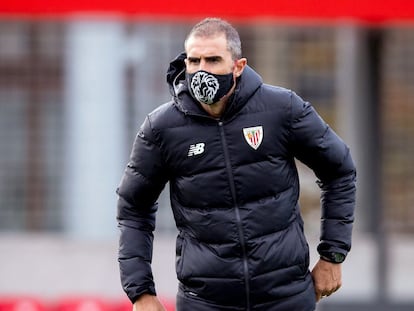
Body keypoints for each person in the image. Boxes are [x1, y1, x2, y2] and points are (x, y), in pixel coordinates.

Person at [116, 17, 356, 311]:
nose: (202, 70)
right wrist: (140, 292)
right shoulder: (161, 128)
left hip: (286, 297)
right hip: (205, 303)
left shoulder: (283, 109)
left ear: (238, 66)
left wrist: (333, 255)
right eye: (194, 61)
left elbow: (340, 170)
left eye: (214, 60)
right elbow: (133, 207)